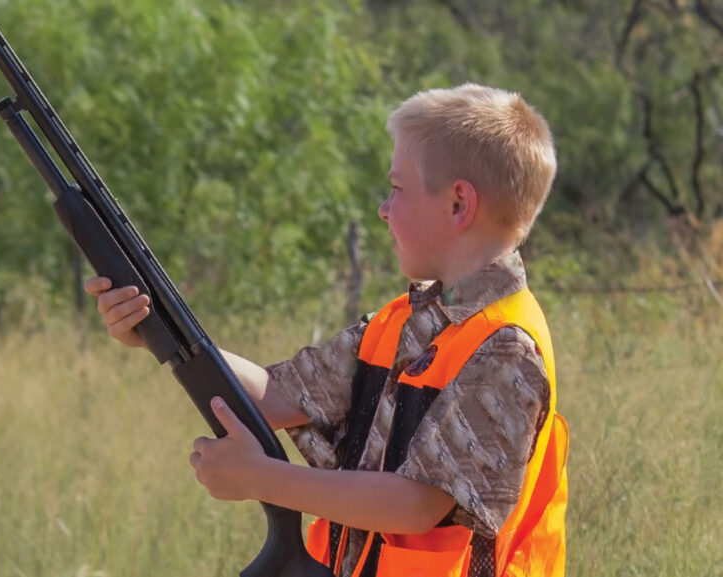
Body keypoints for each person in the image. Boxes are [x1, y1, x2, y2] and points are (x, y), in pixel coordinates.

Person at [83, 83, 568, 577]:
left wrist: (263, 478)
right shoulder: (401, 321)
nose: (383, 208)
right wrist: (154, 327)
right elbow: (273, 396)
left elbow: (416, 505)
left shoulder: (506, 347)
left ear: (459, 204)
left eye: (397, 189)